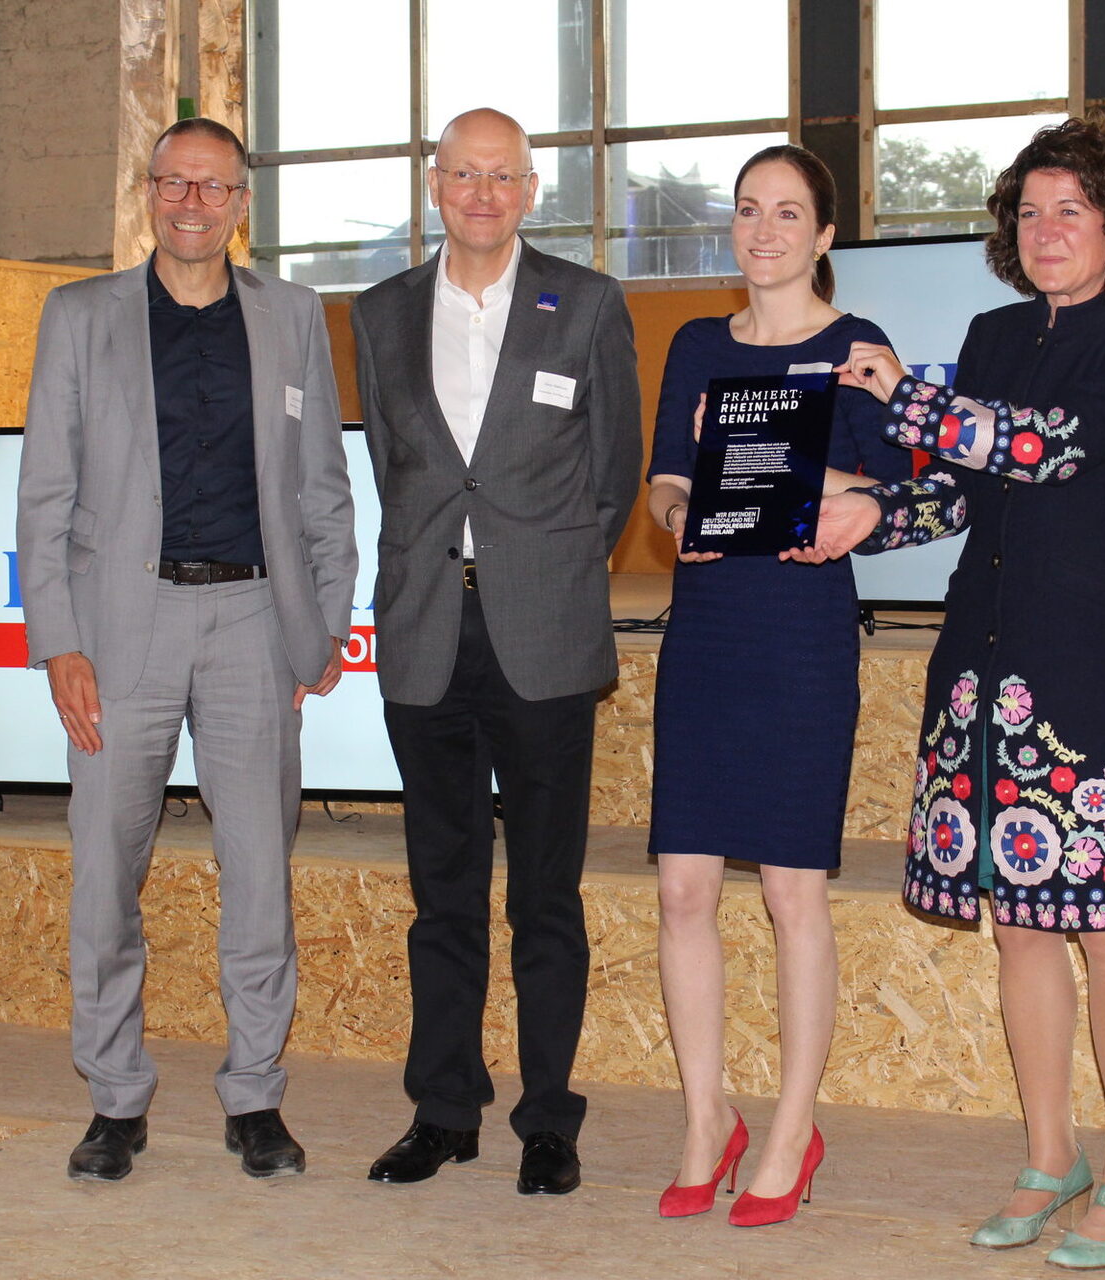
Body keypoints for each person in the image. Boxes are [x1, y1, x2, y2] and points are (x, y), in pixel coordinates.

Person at [817, 115, 1105, 1268]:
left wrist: (907, 396)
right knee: (1021, 926)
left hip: (1089, 676)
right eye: (1029, 212)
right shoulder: (991, 336)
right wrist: (866, 512)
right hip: (979, 677)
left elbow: (1045, 447)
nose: (1045, 229)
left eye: (1070, 209)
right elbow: (961, 488)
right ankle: (1050, 1155)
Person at [16, 116, 356, 1182]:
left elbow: (323, 483)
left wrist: (324, 618)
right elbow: (44, 494)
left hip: (255, 622)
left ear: (242, 205)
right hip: (123, 632)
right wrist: (59, 643)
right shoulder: (80, 317)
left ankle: (255, 1095)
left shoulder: (292, 316)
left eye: (214, 187)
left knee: (258, 877)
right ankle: (114, 1099)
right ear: (150, 193)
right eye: (175, 183)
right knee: (105, 877)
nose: (193, 203)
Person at [644, 145, 963, 1228]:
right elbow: (668, 481)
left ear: (825, 235)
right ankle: (706, 1120)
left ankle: (792, 1128)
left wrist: (777, 458)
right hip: (708, 628)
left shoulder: (856, 349)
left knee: (791, 893)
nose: (764, 229)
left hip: (799, 632)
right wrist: (683, 516)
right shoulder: (696, 343)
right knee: (682, 889)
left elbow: (900, 490)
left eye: (789, 213)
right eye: (748, 209)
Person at [350, 107, 642, 1196]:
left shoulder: (587, 303)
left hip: (544, 635)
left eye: (502, 176)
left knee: (547, 895)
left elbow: (613, 472)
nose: (482, 193)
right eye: (464, 175)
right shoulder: (379, 311)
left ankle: (548, 1119)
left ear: (529, 189)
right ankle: (444, 1110)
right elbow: (395, 466)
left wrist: (542, 569)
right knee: (444, 891)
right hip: (425, 629)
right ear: (435, 185)